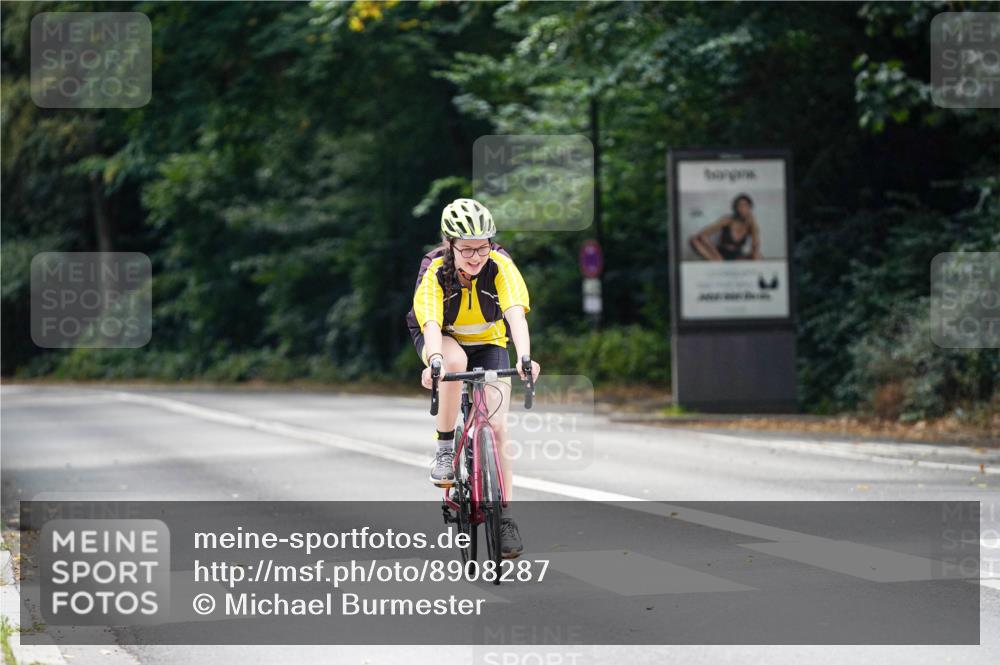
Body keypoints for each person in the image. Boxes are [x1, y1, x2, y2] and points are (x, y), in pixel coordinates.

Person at [405, 198, 540, 559]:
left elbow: (515, 314)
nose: (476, 256)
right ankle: (445, 447)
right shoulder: (435, 269)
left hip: (489, 341)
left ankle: (505, 518)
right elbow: (430, 322)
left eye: (482, 247)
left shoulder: (500, 264)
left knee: (497, 426)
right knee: (453, 361)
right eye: (467, 249)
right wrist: (434, 361)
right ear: (449, 244)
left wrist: (525, 357)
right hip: (444, 338)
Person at [688, 193, 762, 261]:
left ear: (750, 208)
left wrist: (753, 224)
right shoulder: (728, 219)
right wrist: (716, 253)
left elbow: (755, 248)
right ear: (736, 207)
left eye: (746, 205)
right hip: (720, 254)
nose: (743, 208)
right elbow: (703, 234)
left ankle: (720, 262)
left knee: (758, 256)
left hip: (737, 256)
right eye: (740, 205)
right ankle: (717, 261)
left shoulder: (751, 224)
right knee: (694, 239)